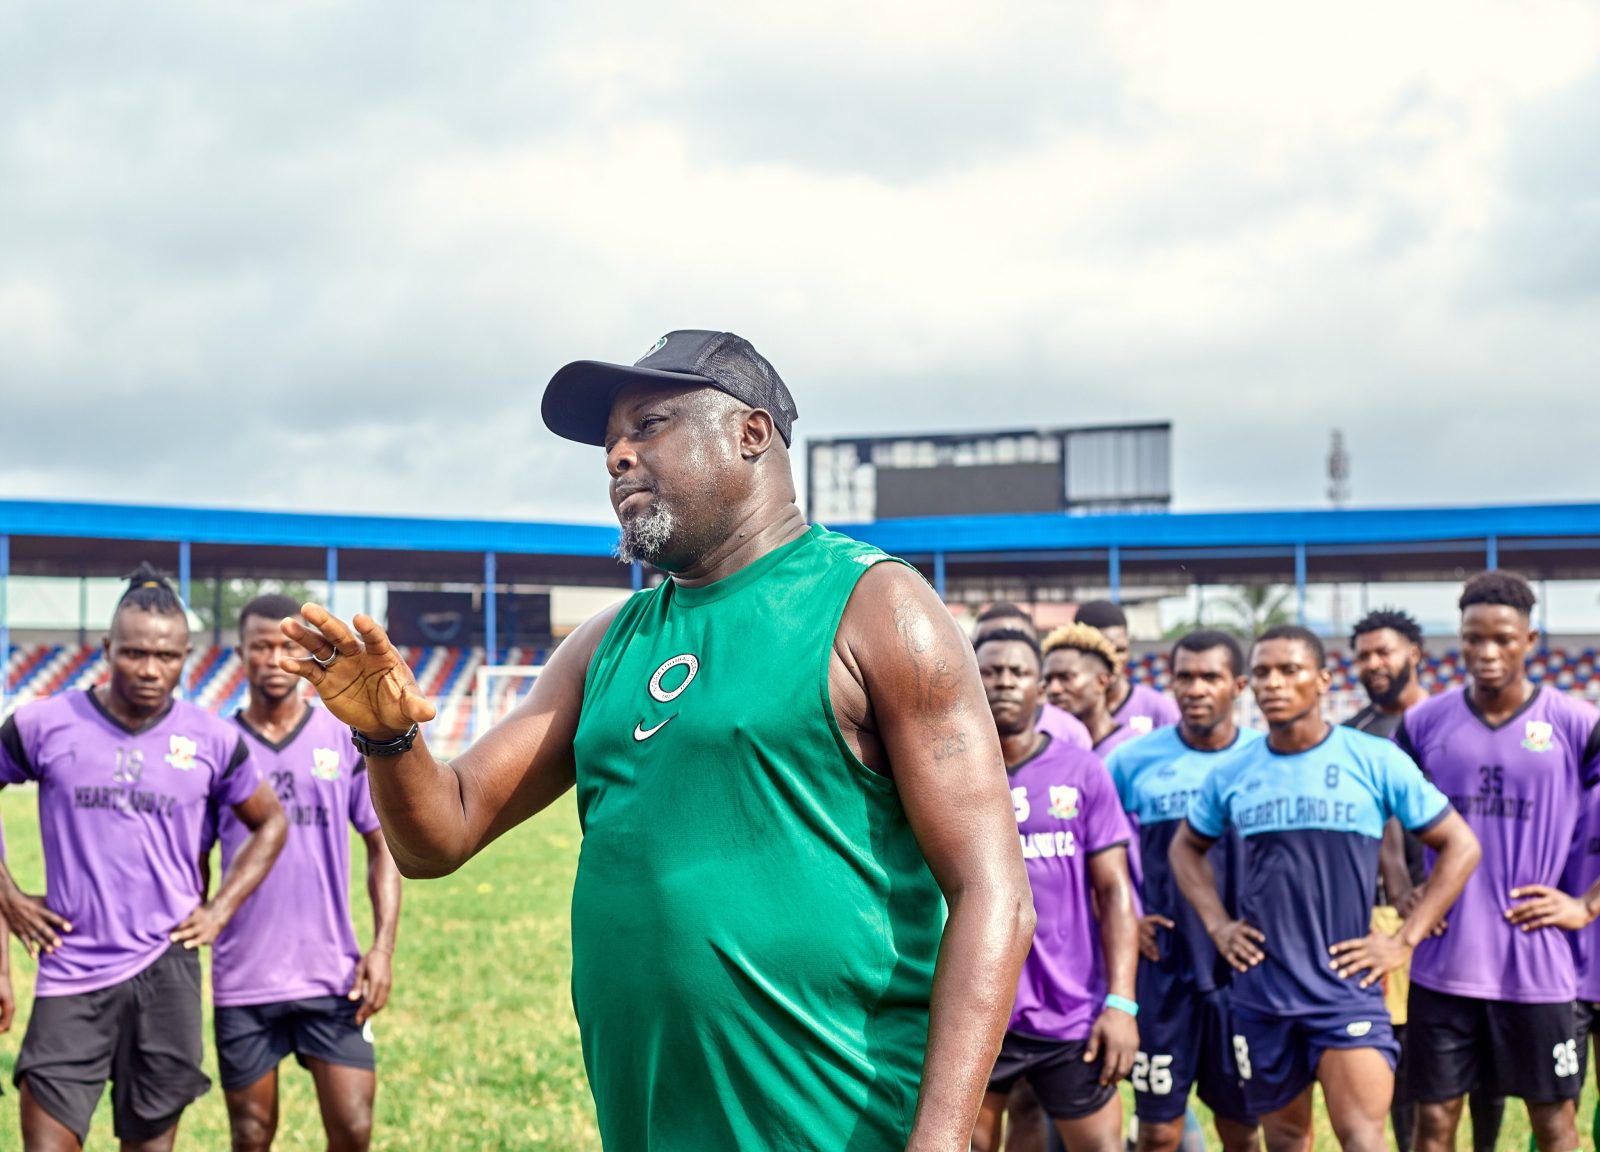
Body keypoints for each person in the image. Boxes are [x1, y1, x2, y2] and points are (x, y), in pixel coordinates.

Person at [277, 329, 1036, 1150]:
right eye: (610, 441)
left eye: (649, 426)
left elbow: (993, 891)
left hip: (840, 1126)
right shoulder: (607, 643)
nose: (617, 457)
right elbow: (441, 833)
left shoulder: (876, 608)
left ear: (751, 433)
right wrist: (390, 741)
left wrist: (941, 1140)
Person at [0, 565, 287, 1152]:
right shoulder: (44, 724)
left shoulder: (212, 740)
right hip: (71, 965)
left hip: (167, 969)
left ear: (186, 657)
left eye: (166, 656)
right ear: (108, 648)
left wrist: (220, 910)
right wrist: (7, 894)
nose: (150, 669)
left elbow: (272, 822)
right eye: (134, 653)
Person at [1170, 625, 1480, 1152]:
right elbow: (1185, 848)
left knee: (1362, 1139)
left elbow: (1461, 845)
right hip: (1263, 994)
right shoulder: (1233, 772)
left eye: (1289, 670)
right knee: (1286, 1140)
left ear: (1323, 680)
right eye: (1263, 672)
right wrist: (1219, 926)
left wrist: (1403, 941)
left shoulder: (1373, 758)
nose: (1274, 683)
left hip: (1345, 992)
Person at [1398, 572, 1600, 1152]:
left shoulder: (1575, 723)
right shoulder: (1425, 722)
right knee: (1434, 1126)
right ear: (1459, 639)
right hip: (1444, 960)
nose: (1486, 652)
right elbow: (1389, 811)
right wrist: (1408, 884)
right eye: (1473, 638)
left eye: (1503, 639)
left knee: (1554, 1124)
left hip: (1537, 962)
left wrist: (1586, 905)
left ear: (1529, 641)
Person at [207, 594, 403, 1152]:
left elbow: (381, 845)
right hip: (243, 978)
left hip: (332, 974)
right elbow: (189, 860)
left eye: (285, 646)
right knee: (250, 1135)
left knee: (354, 1129)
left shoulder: (340, 735)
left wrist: (382, 948)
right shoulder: (218, 746)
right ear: (240, 654)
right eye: (260, 647)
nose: (274, 659)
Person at [970, 629, 1138, 1152]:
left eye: (1018, 672)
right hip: (973, 1008)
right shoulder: (944, 771)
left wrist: (1122, 1004)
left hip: (1069, 1011)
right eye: (990, 672)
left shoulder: (1081, 770)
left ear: (1041, 688)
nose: (1004, 682)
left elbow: (1115, 892)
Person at [1344, 608, 1504, 1152]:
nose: (1373, 663)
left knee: (1478, 1052)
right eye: (1363, 656)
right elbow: (1374, 825)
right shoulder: (1352, 736)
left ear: (1414, 653)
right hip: (1393, 914)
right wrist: (1397, 897)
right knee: (1406, 1047)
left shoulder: (1449, 722)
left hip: (1469, 908)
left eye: (1383, 652)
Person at [1104, 630, 1261, 1152]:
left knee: (1243, 1128)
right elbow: (1098, 851)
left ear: (1238, 685)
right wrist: (1130, 915)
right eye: (1184, 677)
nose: (1195, 689)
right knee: (1156, 1130)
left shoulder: (1265, 758)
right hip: (1164, 967)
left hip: (1242, 971)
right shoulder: (1131, 761)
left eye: (1210, 677)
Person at [974, 603, 1092, 753]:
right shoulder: (951, 730)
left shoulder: (1069, 732)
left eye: (1017, 636)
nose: (1005, 682)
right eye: (990, 638)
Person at [1073, 601, 1180, 736]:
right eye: (1101, 652)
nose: (1112, 660)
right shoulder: (1062, 715)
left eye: (1120, 650)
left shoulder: (1160, 710)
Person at [1042, 623, 1143, 760]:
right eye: (1048, 680)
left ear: (1101, 682)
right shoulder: (1044, 748)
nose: (1054, 689)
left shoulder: (1135, 748)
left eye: (1065, 677)